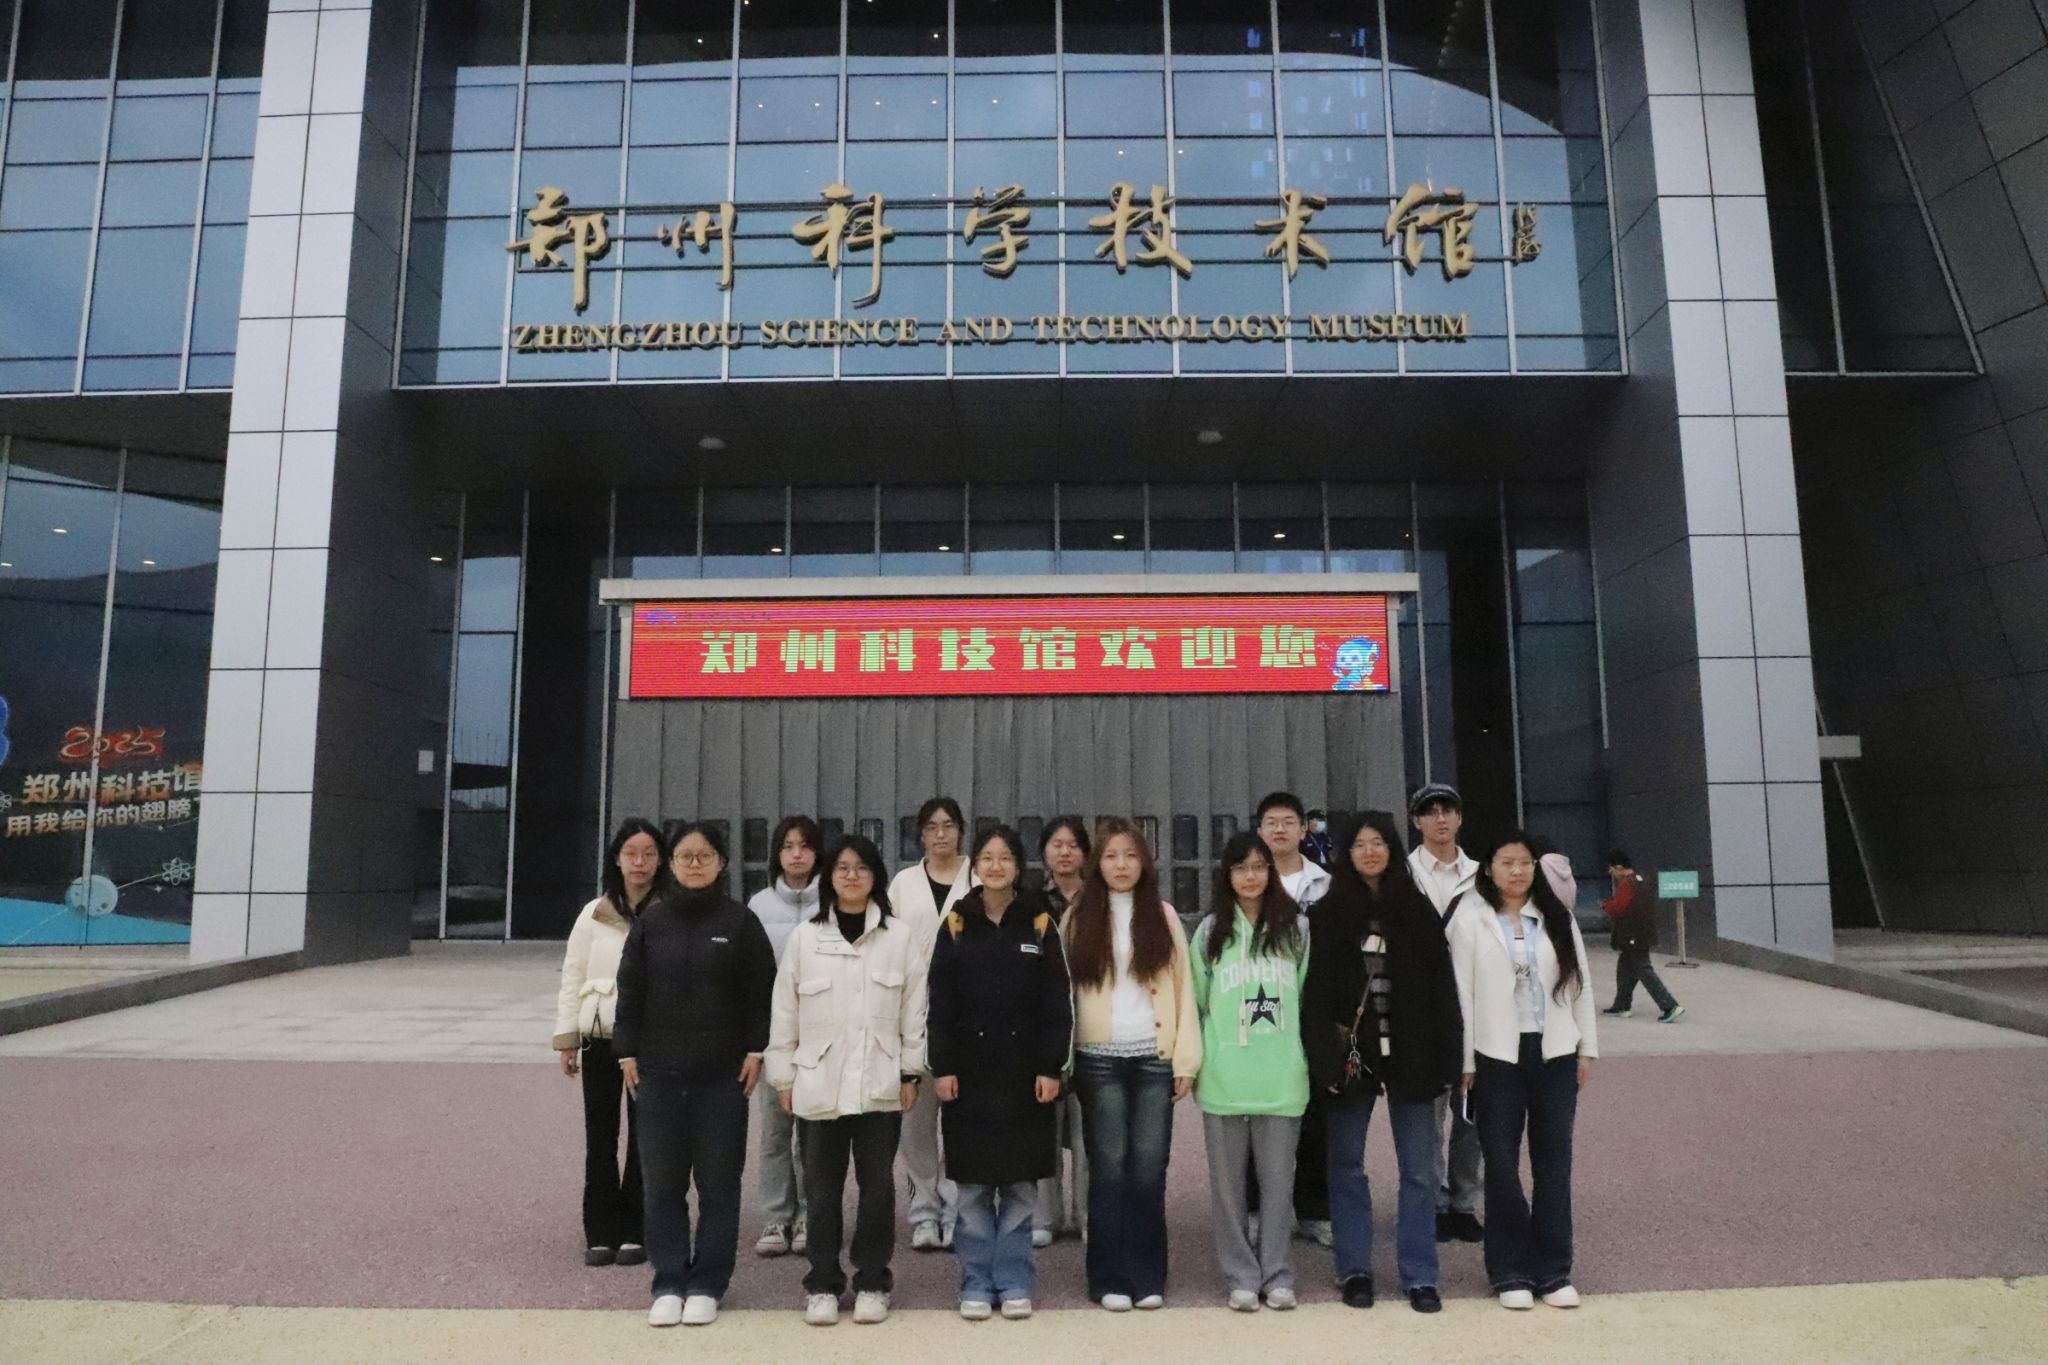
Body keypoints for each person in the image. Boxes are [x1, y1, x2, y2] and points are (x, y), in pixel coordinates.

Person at [614, 822, 777, 1328]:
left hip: (722, 1077)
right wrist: (625, 1053)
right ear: (671, 863)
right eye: (685, 856)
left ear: (721, 863)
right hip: (657, 1074)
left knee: (718, 1184)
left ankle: (708, 1282)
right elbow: (630, 989)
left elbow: (761, 992)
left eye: (704, 856)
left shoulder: (740, 922)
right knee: (662, 1184)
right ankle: (668, 1279)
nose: (694, 865)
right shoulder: (652, 922)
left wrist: (756, 1050)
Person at [766, 834, 930, 1328]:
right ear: (829, 877)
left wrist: (910, 1071)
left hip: (881, 1081)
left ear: (875, 876)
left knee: (877, 1189)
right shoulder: (805, 938)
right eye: (842, 867)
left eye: (861, 867)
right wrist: (783, 1077)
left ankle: (873, 1281)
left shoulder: (899, 938)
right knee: (821, 1190)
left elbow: (914, 1011)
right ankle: (822, 1282)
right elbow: (784, 1011)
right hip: (819, 1082)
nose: (852, 875)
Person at [1307, 812, 1464, 1313]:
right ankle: (1354, 1268)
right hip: (1353, 1056)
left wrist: (1450, 1057)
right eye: (1360, 844)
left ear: (1393, 849)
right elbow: (1315, 998)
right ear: (1346, 854)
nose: (1370, 852)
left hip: (1414, 1053)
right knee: (1346, 1165)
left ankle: (1420, 1274)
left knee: (1419, 1171)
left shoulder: (1417, 909)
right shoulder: (1328, 913)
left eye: (1378, 843)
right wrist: (1324, 1062)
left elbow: (1443, 990)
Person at [1447, 831, 1599, 1312]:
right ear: (1489, 868)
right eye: (1507, 862)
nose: (1517, 871)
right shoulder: (1470, 918)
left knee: (1555, 1162)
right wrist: (1466, 1063)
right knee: (1501, 1163)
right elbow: (1462, 995)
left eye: (1525, 863)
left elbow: (1580, 984)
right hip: (1496, 1056)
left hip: (1555, 1051)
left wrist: (1587, 1048)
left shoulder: (1556, 916)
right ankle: (1509, 1268)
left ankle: (1553, 1270)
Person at [929, 826, 1074, 1320]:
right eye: (987, 858)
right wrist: (942, 1066)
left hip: (1024, 1077)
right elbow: (939, 1003)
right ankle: (975, 1279)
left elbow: (1057, 1002)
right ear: (975, 866)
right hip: (968, 1077)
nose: (995, 866)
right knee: (971, 1189)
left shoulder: (1039, 922)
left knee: (1018, 1187)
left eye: (1005, 858)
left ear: (1018, 866)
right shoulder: (956, 923)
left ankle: (1013, 1279)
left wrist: (1051, 1067)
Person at [1062, 817, 1200, 1311]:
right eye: (1111, 856)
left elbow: (1184, 989)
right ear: (1097, 864)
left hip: (1153, 1058)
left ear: (1144, 863)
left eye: (1131, 855)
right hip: (1098, 1059)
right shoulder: (1078, 917)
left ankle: (1147, 1275)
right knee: (1108, 1170)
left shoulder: (1162, 916)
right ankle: (1108, 1278)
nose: (1121, 865)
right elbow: (1062, 992)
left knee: (1148, 1169)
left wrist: (1186, 1059)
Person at [1191, 832, 1311, 1312]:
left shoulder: (1296, 929)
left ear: (1271, 872)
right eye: (1241, 868)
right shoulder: (1209, 931)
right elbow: (1199, 999)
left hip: (1281, 1076)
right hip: (1225, 1076)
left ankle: (1278, 1274)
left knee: (1280, 1187)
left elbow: (1304, 993)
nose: (1250, 876)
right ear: (1227, 875)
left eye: (1259, 867)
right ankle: (1241, 1275)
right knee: (1228, 1191)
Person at [554, 817, 666, 1270]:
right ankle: (600, 1230)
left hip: (652, 1040)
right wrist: (567, 1038)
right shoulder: (593, 913)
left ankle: (636, 1229)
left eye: (649, 854)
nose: (639, 862)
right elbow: (572, 975)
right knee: (600, 1136)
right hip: (600, 1038)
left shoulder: (670, 911)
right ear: (616, 859)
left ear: (661, 861)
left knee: (645, 1137)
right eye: (631, 854)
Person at [886, 796, 974, 1250]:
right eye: (932, 827)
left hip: (967, 1016)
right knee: (916, 1124)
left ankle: (957, 1210)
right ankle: (923, 1211)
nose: (941, 834)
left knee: (962, 1122)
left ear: (961, 831)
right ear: (920, 834)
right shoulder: (902, 884)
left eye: (948, 826)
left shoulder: (978, 878)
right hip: (913, 1015)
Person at [1405, 783, 1484, 1245]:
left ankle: (1464, 1202)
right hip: (1423, 1010)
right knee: (1429, 1116)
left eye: (1447, 810)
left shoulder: (1481, 876)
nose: (1440, 819)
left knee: (1472, 1114)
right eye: (1430, 811)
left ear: (1459, 818)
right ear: (1417, 821)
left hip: (1476, 1004)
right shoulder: (1404, 874)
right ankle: (1434, 1203)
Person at [1253, 791, 1330, 1247]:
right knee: (1257, 1111)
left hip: (1313, 1013)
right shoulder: (1248, 882)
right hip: (1260, 1015)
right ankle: (1256, 1209)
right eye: (1271, 822)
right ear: (1259, 830)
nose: (1279, 829)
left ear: (1304, 830)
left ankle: (1314, 1210)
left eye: (1288, 822)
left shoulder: (1326, 885)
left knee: (1315, 1116)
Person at [746, 815, 821, 1257]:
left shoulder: (833, 901)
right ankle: (776, 1216)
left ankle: (810, 1213)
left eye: (804, 846)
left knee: (813, 1131)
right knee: (775, 1131)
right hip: (775, 1035)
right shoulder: (758, 905)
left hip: (820, 1034)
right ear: (777, 854)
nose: (796, 854)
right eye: (788, 846)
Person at [1034, 816, 1091, 1247]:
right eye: (1057, 844)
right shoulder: (1030, 902)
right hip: (1044, 1022)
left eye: (1073, 845)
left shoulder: (1100, 901)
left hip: (1091, 1021)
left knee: (1088, 1131)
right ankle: (1044, 1216)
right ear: (1045, 853)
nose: (1065, 852)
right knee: (1043, 1126)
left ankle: (1087, 1214)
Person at [1602, 850, 1683, 1023]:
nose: (1611, 873)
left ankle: (1669, 1006)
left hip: (1632, 935)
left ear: (1619, 868)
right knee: (1625, 969)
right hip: (1642, 933)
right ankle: (1622, 1005)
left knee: (1644, 970)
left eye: (1612, 869)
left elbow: (1619, 908)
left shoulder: (1627, 885)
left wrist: (1606, 905)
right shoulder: (1642, 880)